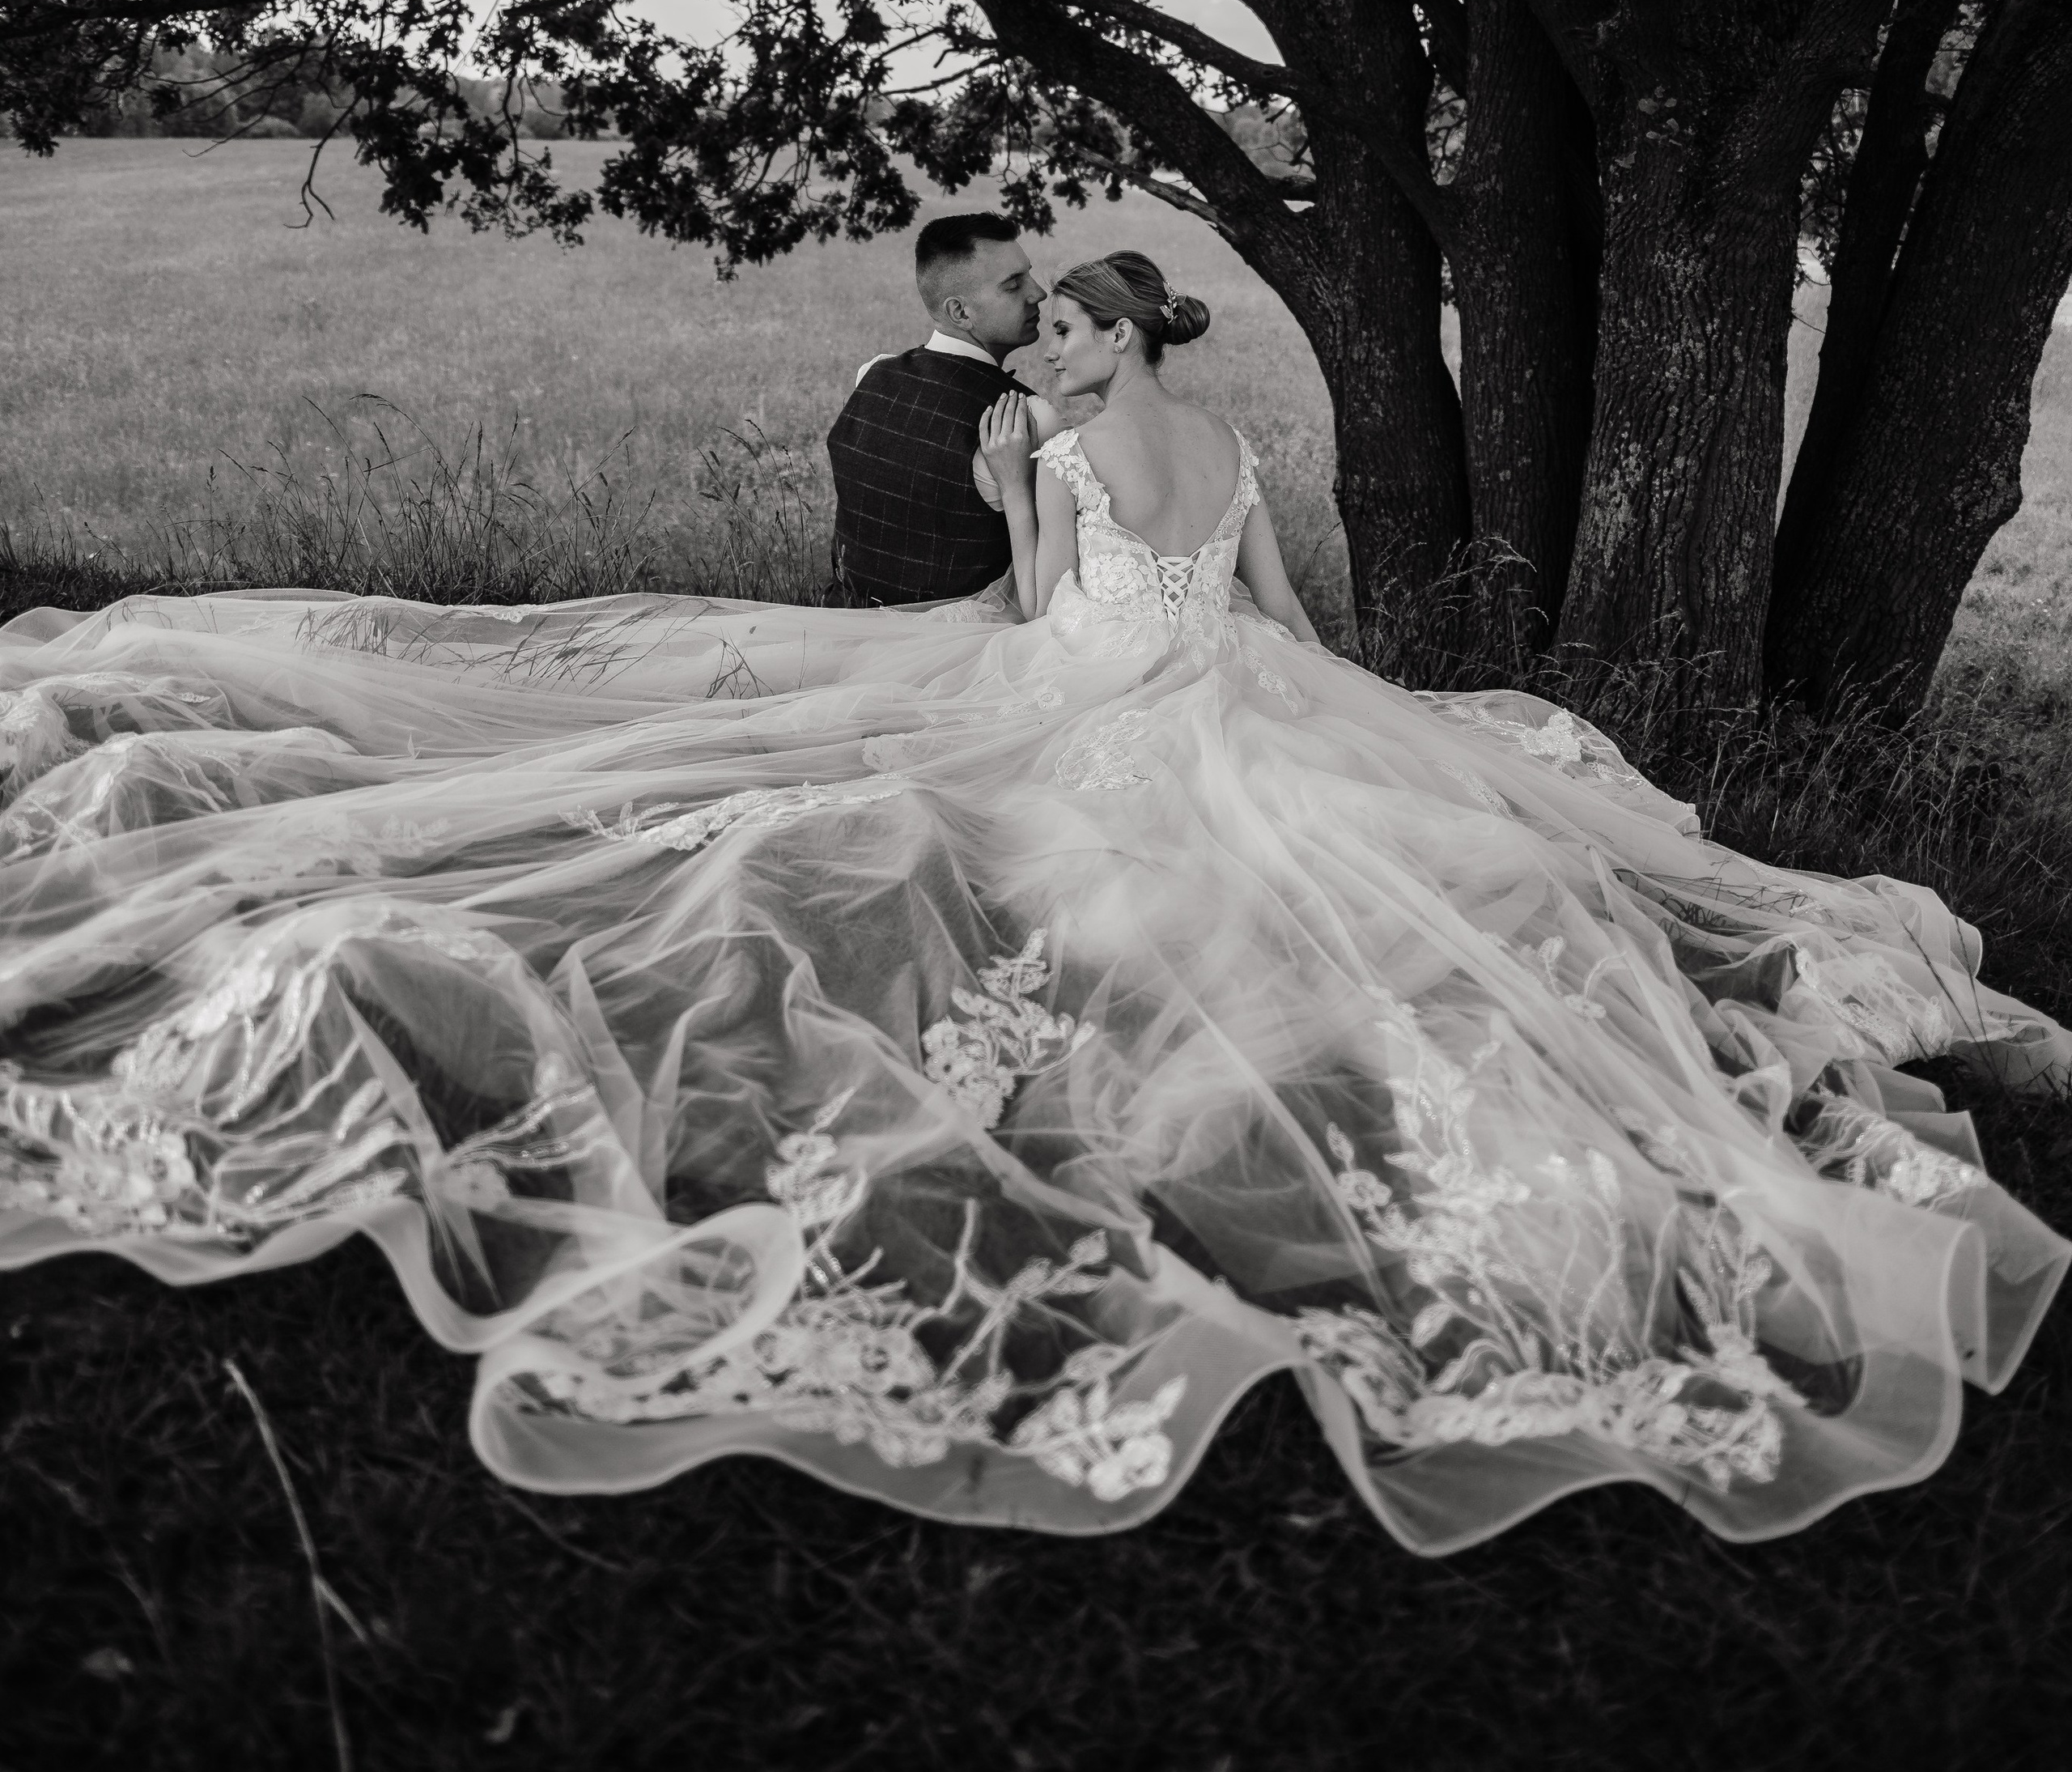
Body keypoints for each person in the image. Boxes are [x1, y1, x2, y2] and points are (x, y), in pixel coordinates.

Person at [0, 246, 2064, 1557]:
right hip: (1248, 692)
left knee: (837, 835)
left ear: (1098, 336)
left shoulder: (1068, 452)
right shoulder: (1234, 443)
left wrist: (1008, 495)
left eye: (1061, 324)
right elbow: (1275, 618)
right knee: (1322, 884)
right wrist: (1340, 717)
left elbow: (1034, 607)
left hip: (1092, 688)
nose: (1047, 346)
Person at [824, 210, 1050, 609]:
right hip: (963, 650)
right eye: (1014, 285)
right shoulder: (1028, 418)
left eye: (1028, 275)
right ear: (960, 312)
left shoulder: (873, 374)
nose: (1038, 293)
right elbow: (1047, 578)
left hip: (848, 624)